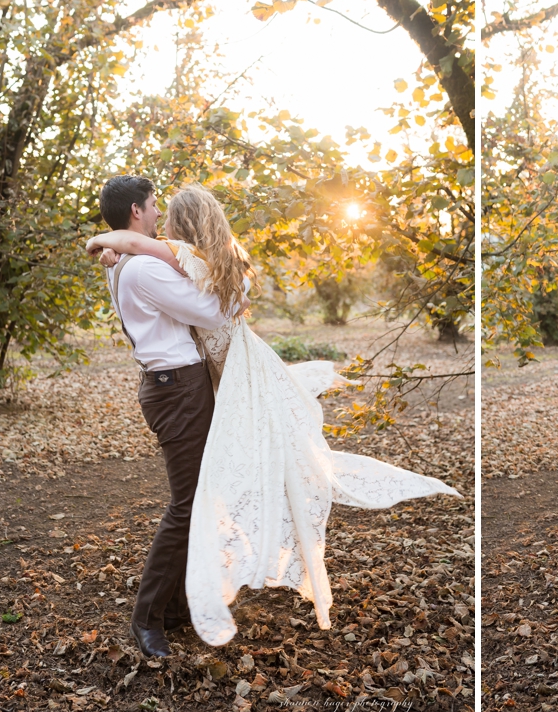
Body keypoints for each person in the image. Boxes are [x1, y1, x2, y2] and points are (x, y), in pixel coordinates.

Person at [88, 182, 458, 652]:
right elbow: (210, 311)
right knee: (188, 503)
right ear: (137, 210)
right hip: (176, 390)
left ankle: (177, 607)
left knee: (202, 498)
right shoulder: (141, 267)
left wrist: (109, 243)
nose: (160, 213)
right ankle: (147, 618)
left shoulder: (131, 258)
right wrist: (235, 289)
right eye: (154, 205)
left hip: (182, 386)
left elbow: (179, 269)